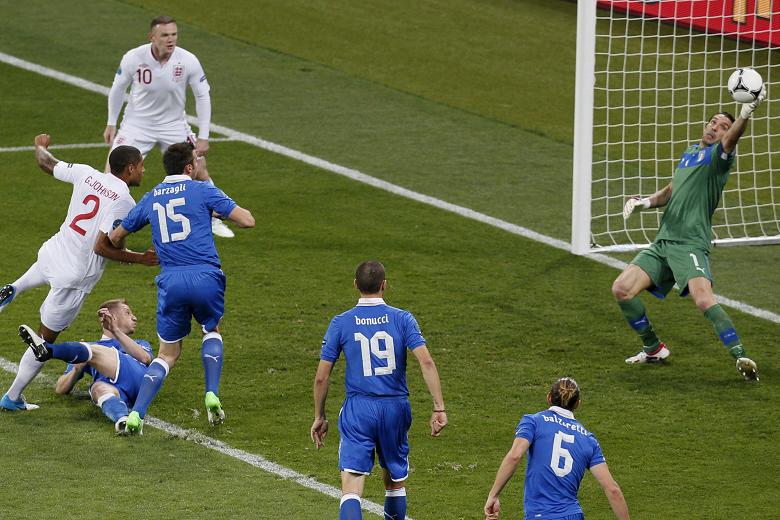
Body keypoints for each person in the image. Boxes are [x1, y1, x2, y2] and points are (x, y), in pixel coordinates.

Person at [615, 89, 767, 380]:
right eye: (713, 122)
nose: (715, 128)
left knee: (703, 299)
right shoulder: (689, 153)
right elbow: (671, 191)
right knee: (622, 289)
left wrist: (745, 114)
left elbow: (731, 140)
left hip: (690, 244)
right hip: (663, 242)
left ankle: (741, 357)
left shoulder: (718, 159)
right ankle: (653, 348)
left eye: (723, 126)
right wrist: (643, 203)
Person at [0, 134, 157, 412]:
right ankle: (12, 397)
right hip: (73, 276)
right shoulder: (124, 199)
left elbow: (47, 163)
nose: (144, 170)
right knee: (44, 341)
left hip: (52, 253)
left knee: (41, 270)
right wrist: (139, 259)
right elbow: (102, 247)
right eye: (141, 166)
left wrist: (40, 145)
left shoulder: (86, 173)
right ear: (130, 168)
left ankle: (15, 287)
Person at [108, 142, 255, 435]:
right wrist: (216, 210)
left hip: (171, 281)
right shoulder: (203, 190)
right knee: (211, 331)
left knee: (167, 355)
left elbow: (115, 236)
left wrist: (127, 247)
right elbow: (247, 220)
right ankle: (211, 393)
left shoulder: (151, 197)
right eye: (197, 161)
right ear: (189, 168)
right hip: (206, 276)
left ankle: (136, 414)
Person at [310, 260, 448, 520]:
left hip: (359, 410)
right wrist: (438, 407)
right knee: (395, 482)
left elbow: (321, 377)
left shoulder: (341, 322)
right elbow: (427, 362)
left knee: (351, 487)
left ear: (355, 285)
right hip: (395, 408)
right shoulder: (403, 319)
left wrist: (320, 416)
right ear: (384, 285)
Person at [103, 14, 234, 238]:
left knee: (200, 171)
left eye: (174, 34)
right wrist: (111, 123)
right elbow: (117, 89)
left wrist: (203, 136)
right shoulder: (134, 58)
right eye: (165, 35)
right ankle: (104, 224)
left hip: (174, 125)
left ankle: (214, 219)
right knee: (111, 174)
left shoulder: (188, 60)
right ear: (152, 37)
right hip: (137, 125)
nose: (171, 39)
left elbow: (203, 95)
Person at [484, 377, 630, 520]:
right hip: (574, 515)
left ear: (549, 398)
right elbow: (612, 489)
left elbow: (514, 456)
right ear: (577, 404)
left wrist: (493, 495)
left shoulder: (533, 421)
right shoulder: (589, 440)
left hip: (541, 515)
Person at [18, 299, 153, 434]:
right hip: (119, 391)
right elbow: (60, 388)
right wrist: (77, 369)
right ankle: (123, 421)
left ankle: (49, 350)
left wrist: (116, 331)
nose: (134, 317)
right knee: (97, 388)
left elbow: (145, 358)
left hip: (139, 383)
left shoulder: (139, 343)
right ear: (112, 317)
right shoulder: (83, 352)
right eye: (128, 313)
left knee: (92, 350)